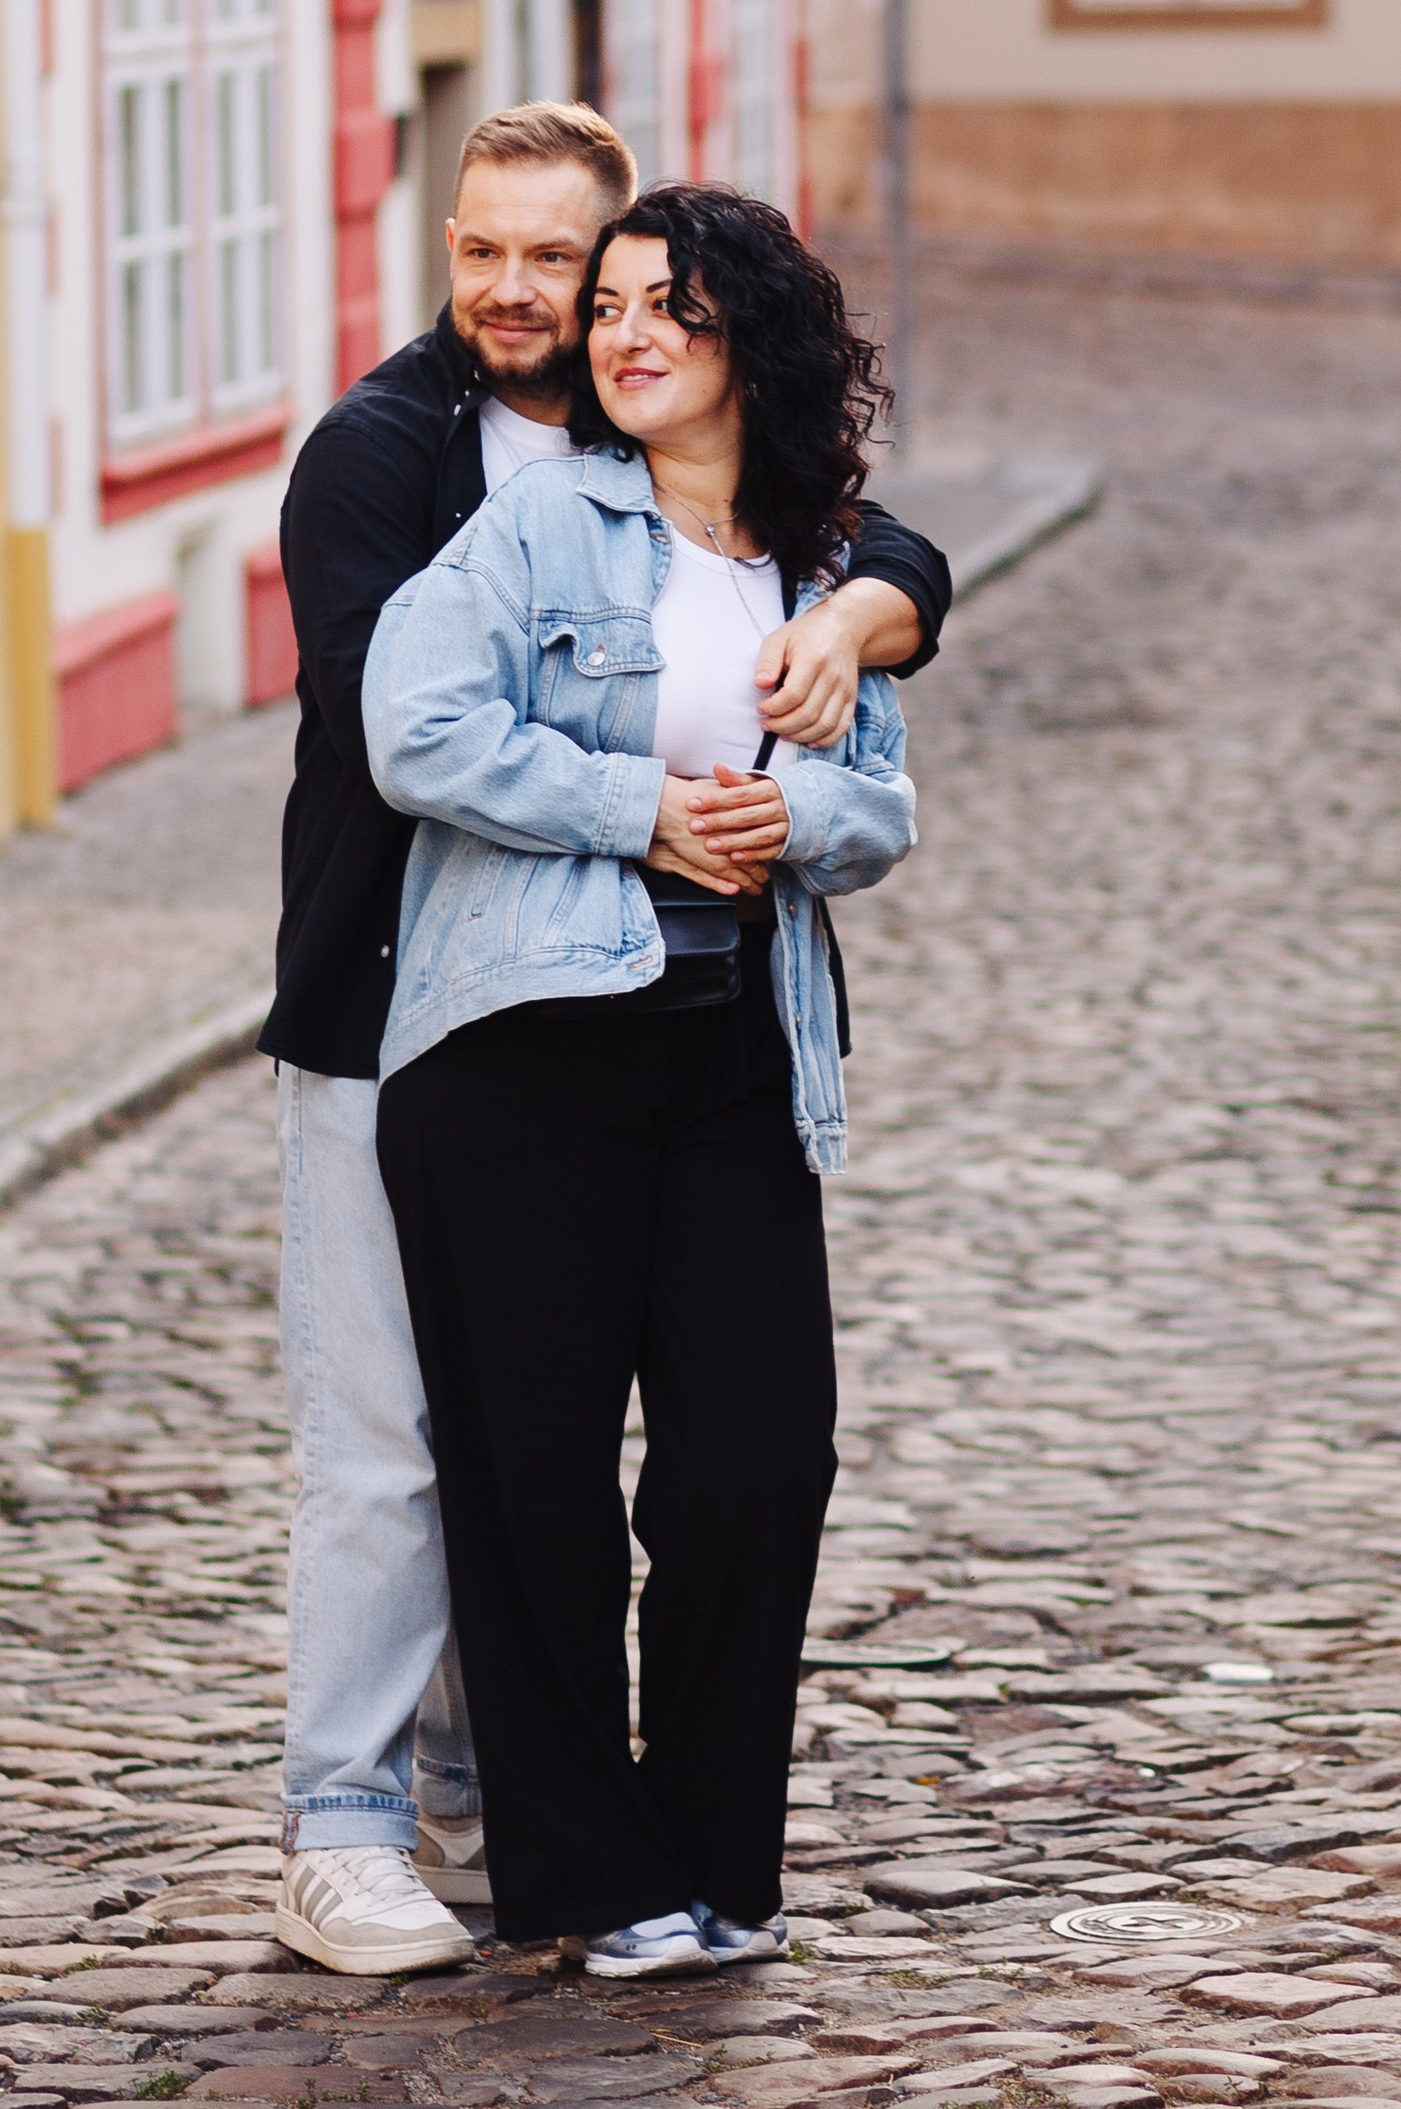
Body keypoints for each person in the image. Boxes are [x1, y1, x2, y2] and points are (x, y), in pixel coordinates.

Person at [264, 107, 948, 1977]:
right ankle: (384, 1827)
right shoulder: (425, 469)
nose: (539, 296)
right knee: (439, 1462)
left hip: (732, 1038)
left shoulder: (802, 547)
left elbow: (874, 785)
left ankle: (649, 1840)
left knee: (746, 1455)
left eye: (591, 274)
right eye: (490, 252)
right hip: (439, 1008)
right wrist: (643, 804)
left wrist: (869, 632)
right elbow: (401, 724)